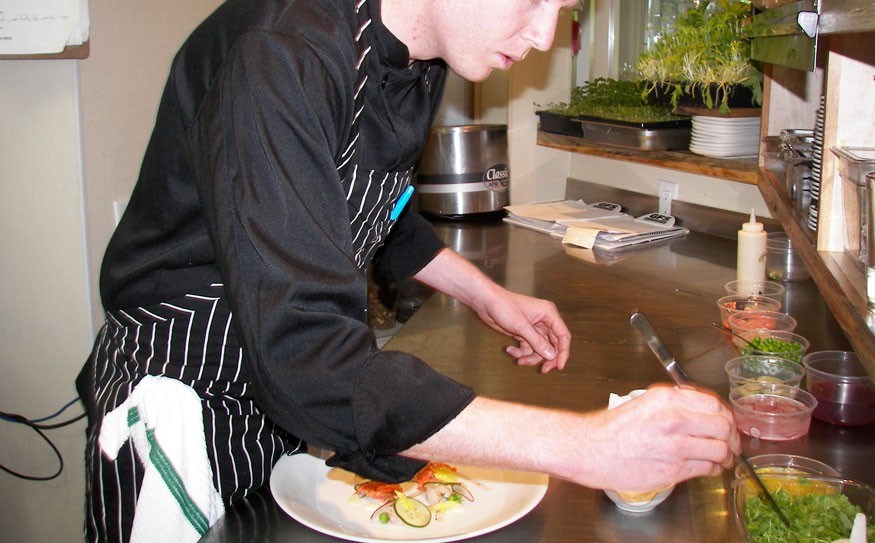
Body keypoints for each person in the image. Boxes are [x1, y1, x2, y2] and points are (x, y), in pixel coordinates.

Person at [77, 0, 741, 541]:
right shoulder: (281, 54)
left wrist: (484, 292)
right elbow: (306, 355)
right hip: (182, 396)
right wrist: (584, 444)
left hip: (275, 405)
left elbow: (372, 203)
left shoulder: (420, 55)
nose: (542, 34)